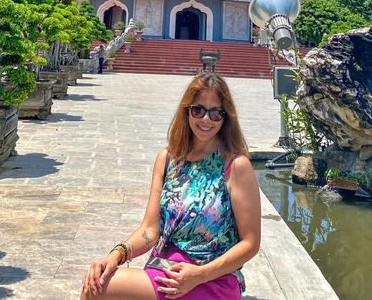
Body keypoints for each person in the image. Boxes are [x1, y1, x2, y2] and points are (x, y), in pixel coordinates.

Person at [81, 72, 261, 298]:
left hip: (213, 277)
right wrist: (116, 255)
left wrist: (199, 275)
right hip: (165, 269)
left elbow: (251, 243)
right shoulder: (168, 160)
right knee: (97, 280)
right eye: (198, 110)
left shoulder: (235, 165)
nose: (206, 119)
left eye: (216, 113)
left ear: (226, 118)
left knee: (103, 289)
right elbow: (149, 230)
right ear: (187, 111)